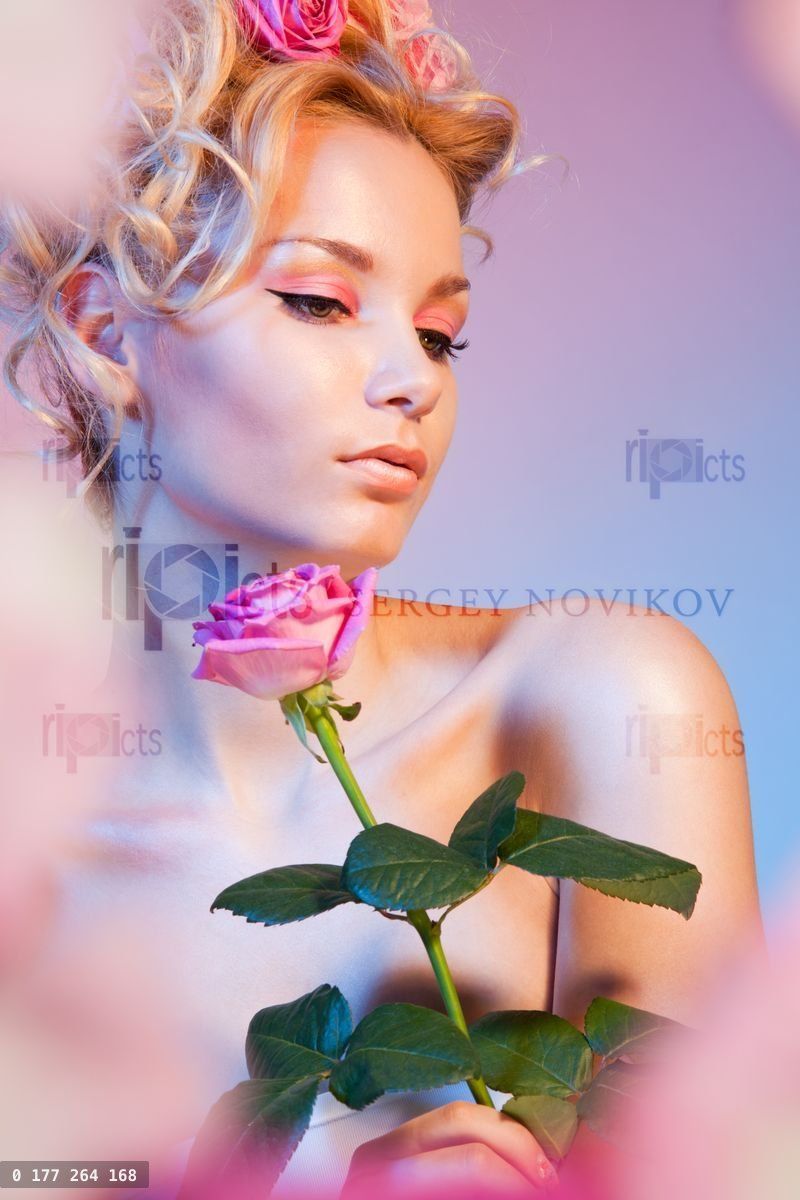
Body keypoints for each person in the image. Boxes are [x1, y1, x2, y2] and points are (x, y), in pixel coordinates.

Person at [0, 1, 765, 1196]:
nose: (411, 379)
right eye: (317, 300)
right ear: (110, 335)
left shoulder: (593, 699)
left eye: (440, 332)